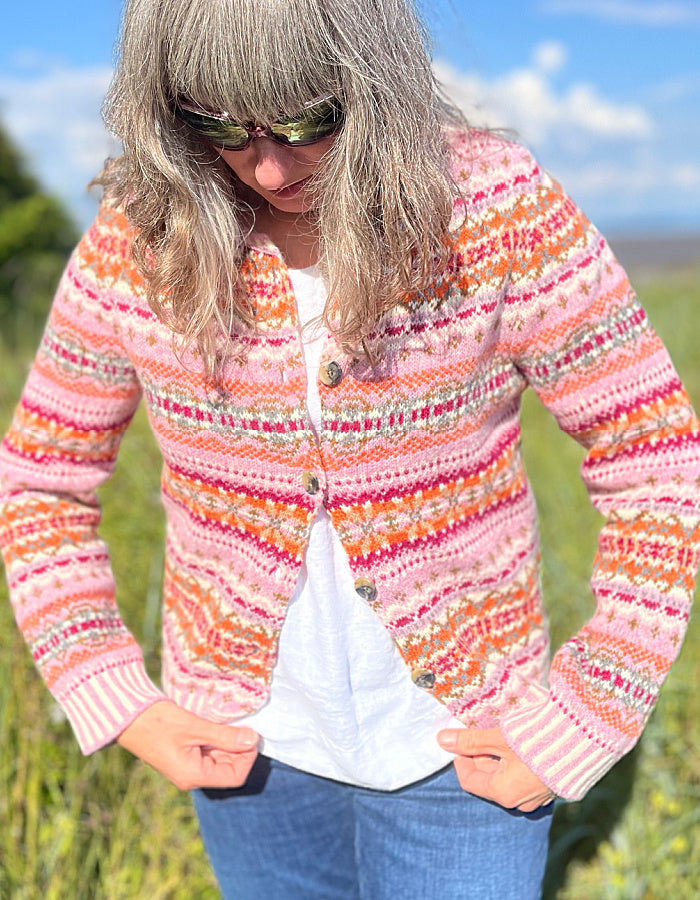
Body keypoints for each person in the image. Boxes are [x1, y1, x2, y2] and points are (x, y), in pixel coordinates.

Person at [1, 0, 698, 897]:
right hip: (245, 753)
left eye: (306, 117)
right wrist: (108, 688)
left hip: (469, 750)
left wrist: (591, 709)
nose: (268, 163)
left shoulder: (496, 210)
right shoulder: (141, 241)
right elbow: (41, 484)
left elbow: (654, 455)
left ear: (376, 76)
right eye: (218, 123)